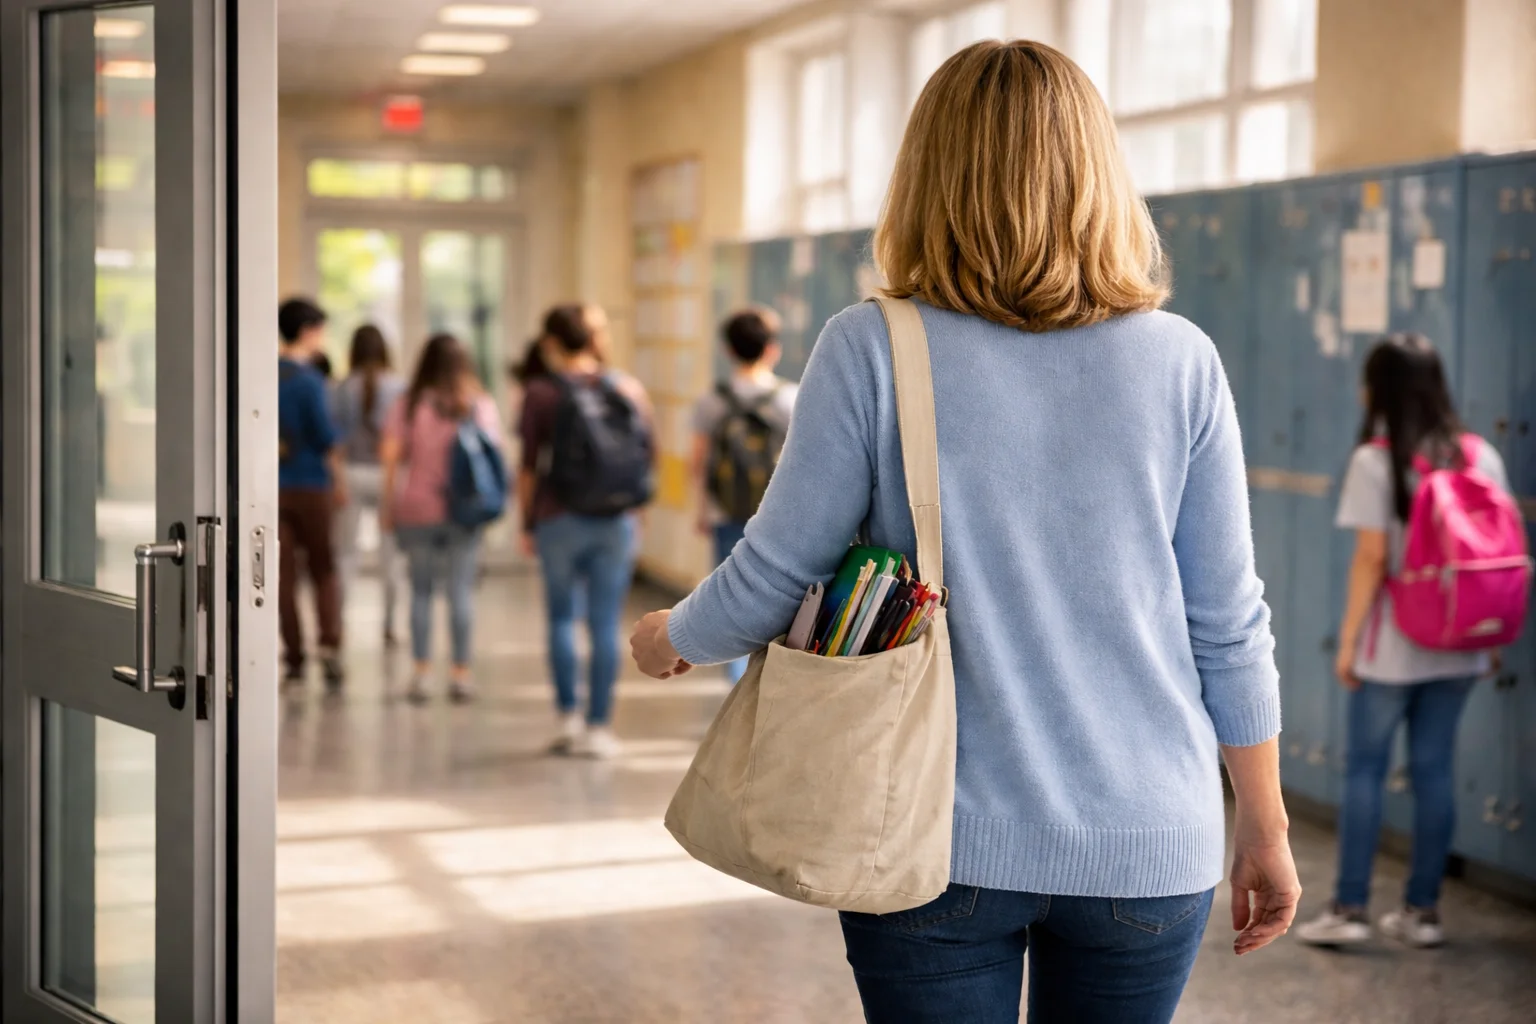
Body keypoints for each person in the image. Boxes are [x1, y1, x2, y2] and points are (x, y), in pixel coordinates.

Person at [630, 40, 1298, 1023]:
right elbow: (1228, 623)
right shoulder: (1181, 360)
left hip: (930, 839)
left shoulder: (871, 347)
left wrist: (670, 636)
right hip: (1149, 842)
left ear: (927, 177)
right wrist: (1266, 826)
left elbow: (780, 568)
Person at [1296, 335, 1511, 950]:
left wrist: (1346, 643)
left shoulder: (1377, 460)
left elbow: (1370, 560)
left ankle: (1350, 909)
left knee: (1365, 769)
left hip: (1393, 645)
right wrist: (1487, 638)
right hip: (1462, 643)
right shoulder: (1480, 456)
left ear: (1380, 390)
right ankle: (1423, 912)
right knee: (1435, 771)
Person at [519, 304, 653, 759]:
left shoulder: (539, 393)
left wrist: (526, 520)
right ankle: (599, 727)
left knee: (560, 617)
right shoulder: (627, 388)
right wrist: (639, 514)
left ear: (552, 343)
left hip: (558, 517)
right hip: (615, 521)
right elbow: (646, 454)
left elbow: (528, 466)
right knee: (603, 622)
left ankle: (567, 720)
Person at [379, 333, 503, 703]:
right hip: (465, 510)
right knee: (460, 591)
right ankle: (460, 673)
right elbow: (494, 457)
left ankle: (421, 672)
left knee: (420, 590)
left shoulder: (409, 403)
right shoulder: (479, 404)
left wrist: (388, 507)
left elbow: (390, 461)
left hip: (417, 508)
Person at [690, 308, 798, 684]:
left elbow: (699, 462)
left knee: (728, 599)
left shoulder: (713, 400)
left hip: (726, 512)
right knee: (776, 599)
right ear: (773, 350)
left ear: (727, 350)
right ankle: (767, 682)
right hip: (774, 516)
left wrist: (703, 509)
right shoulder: (789, 398)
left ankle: (734, 683)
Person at [277, 298, 347, 689]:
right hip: (311, 485)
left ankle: (294, 657)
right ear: (308, 331)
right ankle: (330, 646)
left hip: (273, 487)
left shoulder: (261, 374)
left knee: (282, 575)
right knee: (323, 568)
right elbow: (325, 437)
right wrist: (340, 481)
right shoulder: (309, 380)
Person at [332, 324, 408, 646]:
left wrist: (337, 481)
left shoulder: (340, 387)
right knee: (392, 556)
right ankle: (392, 625)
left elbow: (334, 443)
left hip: (350, 473)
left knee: (346, 554)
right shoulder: (399, 387)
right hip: (387, 475)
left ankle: (339, 622)